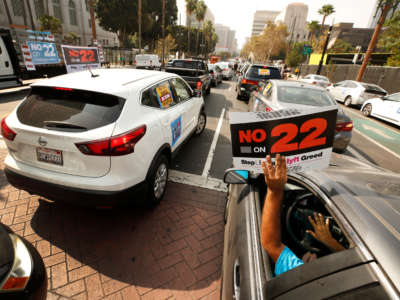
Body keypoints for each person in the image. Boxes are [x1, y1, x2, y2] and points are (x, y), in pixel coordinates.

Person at [260, 154, 344, 276]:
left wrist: (274, 190)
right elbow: (358, 260)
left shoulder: (302, 274)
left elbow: (271, 244)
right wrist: (330, 242)